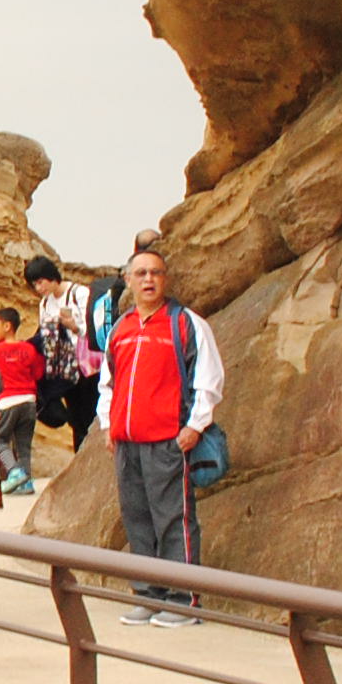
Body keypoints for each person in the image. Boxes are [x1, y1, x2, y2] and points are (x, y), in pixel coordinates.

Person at [96, 248, 221, 622]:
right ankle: (149, 595)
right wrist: (108, 425)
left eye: (156, 273)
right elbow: (108, 383)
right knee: (137, 518)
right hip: (127, 442)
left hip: (168, 440)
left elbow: (209, 379)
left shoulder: (186, 324)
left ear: (165, 279)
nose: (148, 280)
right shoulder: (120, 329)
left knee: (173, 519)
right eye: (141, 273)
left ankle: (183, 600)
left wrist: (195, 425)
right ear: (129, 280)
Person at [27, 259, 100, 449]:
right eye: (35, 284)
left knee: (91, 413)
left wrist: (72, 325)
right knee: (76, 419)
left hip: (87, 366)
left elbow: (93, 328)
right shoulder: (45, 303)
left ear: (52, 277)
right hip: (65, 367)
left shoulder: (79, 293)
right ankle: (81, 457)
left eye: (40, 282)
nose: (39, 288)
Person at [0, 306, 41, 496]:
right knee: (23, 444)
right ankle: (27, 482)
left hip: (7, 401)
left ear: (7, 326)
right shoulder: (29, 349)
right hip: (29, 401)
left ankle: (15, 471)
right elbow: (37, 373)